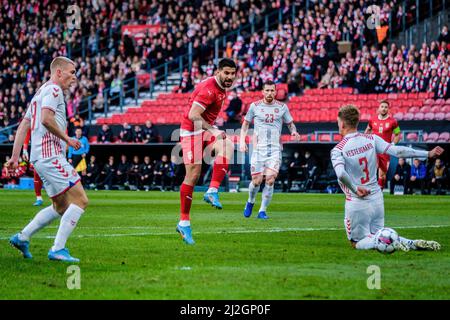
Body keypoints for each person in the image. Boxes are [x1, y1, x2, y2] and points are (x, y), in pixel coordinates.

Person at [7, 56, 89, 262]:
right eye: (72, 72)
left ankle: (22, 237)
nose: (74, 77)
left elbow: (24, 125)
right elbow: (46, 118)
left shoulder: (40, 91)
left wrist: (14, 157)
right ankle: (58, 249)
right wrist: (68, 139)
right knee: (80, 199)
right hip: (50, 154)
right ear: (59, 72)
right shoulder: (53, 90)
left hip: (39, 157)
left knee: (60, 206)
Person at [331, 104, 442, 252]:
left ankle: (391, 242)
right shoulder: (371, 138)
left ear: (342, 123)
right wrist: (427, 154)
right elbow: (398, 151)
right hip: (377, 197)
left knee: (357, 242)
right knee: (380, 234)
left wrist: (355, 189)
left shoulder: (338, 149)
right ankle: (412, 243)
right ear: (357, 122)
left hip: (357, 200)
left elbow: (341, 174)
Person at [177, 58, 237, 244]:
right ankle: (184, 223)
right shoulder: (209, 89)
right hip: (190, 131)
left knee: (228, 145)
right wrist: (213, 130)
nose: (230, 77)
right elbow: (193, 115)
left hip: (203, 130)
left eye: (232, 74)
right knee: (193, 176)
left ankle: (212, 191)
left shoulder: (220, 87)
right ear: (218, 71)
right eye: (226, 73)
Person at [240, 80, 300, 219]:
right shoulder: (254, 106)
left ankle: (262, 210)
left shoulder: (282, 107)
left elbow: (290, 124)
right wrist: (242, 141)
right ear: (262, 91)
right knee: (256, 181)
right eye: (267, 90)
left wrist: (293, 132)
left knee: (271, 180)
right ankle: (250, 201)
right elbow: (245, 125)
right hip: (258, 149)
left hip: (274, 149)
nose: (269, 93)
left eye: (272, 90)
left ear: (275, 91)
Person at [365, 100, 401, 189]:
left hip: (385, 151)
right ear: (379, 108)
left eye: (386, 107)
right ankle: (371, 191)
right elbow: (368, 130)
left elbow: (398, 135)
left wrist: (392, 144)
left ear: (388, 109)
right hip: (373, 149)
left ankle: (379, 192)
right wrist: (365, 141)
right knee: (371, 171)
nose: (384, 109)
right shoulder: (372, 120)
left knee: (382, 175)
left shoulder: (393, 121)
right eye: (382, 107)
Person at [23, 128, 44, 206]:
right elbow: (27, 133)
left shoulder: (48, 118)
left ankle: (58, 198)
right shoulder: (32, 119)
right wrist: (25, 149)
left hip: (49, 151)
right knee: (36, 173)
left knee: (51, 175)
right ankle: (39, 198)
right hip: (36, 151)